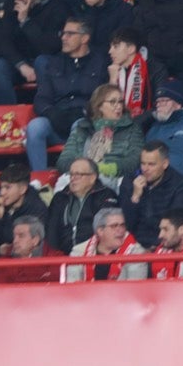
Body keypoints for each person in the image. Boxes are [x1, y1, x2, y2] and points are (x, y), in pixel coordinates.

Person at [25, 16, 106, 172]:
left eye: (70, 34)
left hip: (87, 123)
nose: (64, 38)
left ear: (85, 38)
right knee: (35, 127)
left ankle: (75, 176)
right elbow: (41, 99)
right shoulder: (53, 63)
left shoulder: (100, 63)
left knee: (79, 126)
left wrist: (86, 113)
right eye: (63, 33)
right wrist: (52, 113)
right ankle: (39, 181)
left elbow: (104, 98)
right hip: (57, 121)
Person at [57, 84, 143, 191]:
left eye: (120, 102)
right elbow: (63, 161)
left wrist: (107, 169)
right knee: (63, 184)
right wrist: (82, 170)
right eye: (112, 102)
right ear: (99, 106)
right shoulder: (83, 127)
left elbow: (134, 161)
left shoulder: (132, 128)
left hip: (114, 178)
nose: (118, 106)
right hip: (79, 175)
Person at [121, 142, 183, 249]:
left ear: (165, 164)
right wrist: (135, 197)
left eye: (151, 164)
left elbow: (174, 225)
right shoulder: (130, 181)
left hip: (163, 245)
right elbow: (126, 225)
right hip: (131, 245)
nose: (145, 169)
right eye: (143, 163)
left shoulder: (180, 185)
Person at [46, 158, 118, 253]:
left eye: (78, 175)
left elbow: (106, 231)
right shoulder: (60, 198)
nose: (72, 178)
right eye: (71, 174)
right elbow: (51, 232)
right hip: (63, 257)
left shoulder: (105, 195)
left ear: (92, 177)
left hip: (94, 255)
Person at [65, 206, 148, 282]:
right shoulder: (79, 252)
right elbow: (72, 286)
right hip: (86, 297)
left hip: (122, 297)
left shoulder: (136, 252)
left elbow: (134, 289)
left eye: (122, 225)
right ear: (100, 231)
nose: (120, 230)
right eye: (114, 226)